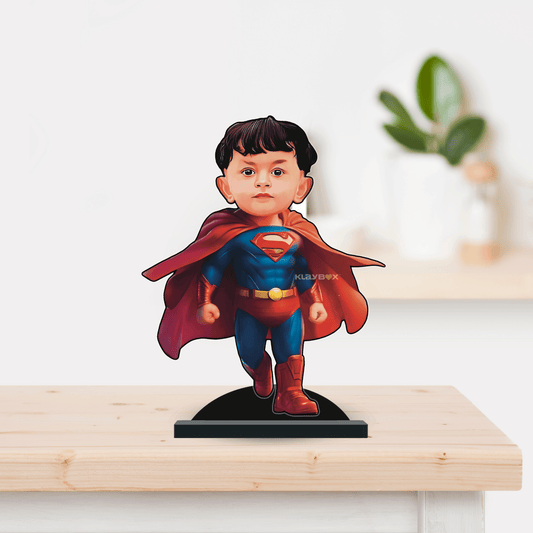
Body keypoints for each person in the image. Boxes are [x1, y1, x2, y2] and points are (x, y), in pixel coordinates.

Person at [143, 116, 383, 416]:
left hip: (289, 308)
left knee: (291, 353)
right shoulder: (230, 235)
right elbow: (213, 269)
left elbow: (304, 271)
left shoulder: (299, 235)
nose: (263, 181)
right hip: (249, 309)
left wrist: (316, 301)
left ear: (301, 187)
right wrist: (205, 302)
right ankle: (258, 370)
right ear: (226, 187)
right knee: (250, 353)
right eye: (248, 171)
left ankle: (291, 394)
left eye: (278, 171)